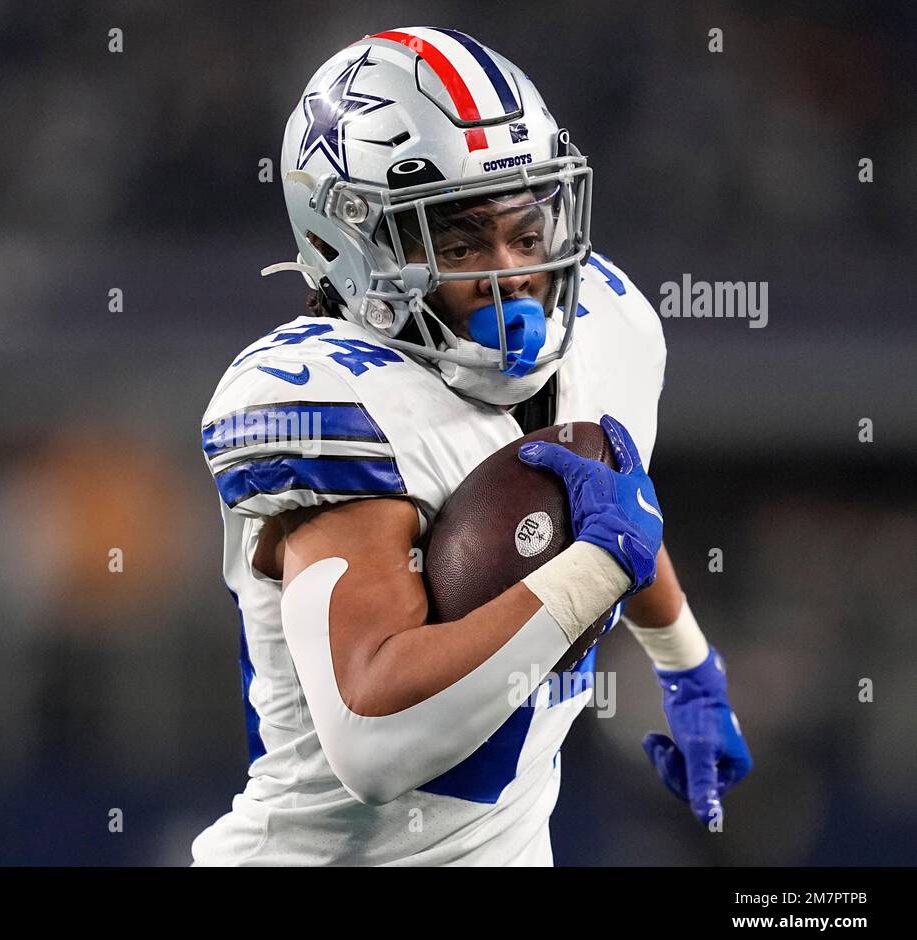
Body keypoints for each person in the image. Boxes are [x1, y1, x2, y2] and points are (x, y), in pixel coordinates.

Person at [192, 26, 751, 866]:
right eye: (459, 243)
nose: (513, 274)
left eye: (527, 234)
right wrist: (596, 569)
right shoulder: (337, 402)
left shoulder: (607, 329)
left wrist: (687, 664)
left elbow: (606, 504)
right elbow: (374, 741)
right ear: (346, 248)